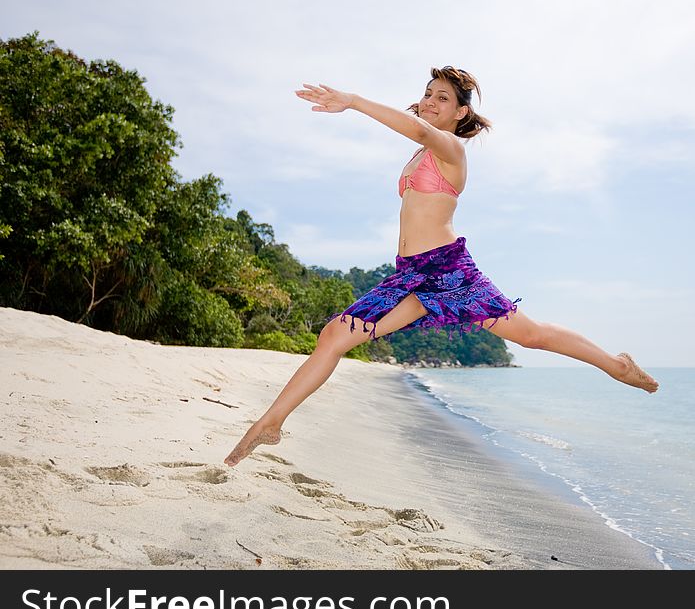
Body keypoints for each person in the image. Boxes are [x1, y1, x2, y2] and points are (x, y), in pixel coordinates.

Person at [224, 66, 658, 467]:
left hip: (448, 270)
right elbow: (414, 127)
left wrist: (353, 101)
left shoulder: (450, 148)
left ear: (461, 111)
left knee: (530, 336)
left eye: (443, 98)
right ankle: (272, 423)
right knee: (334, 335)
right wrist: (398, 110)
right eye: (428, 94)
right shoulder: (418, 152)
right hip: (409, 274)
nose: (431, 101)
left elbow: (415, 126)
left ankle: (615, 364)